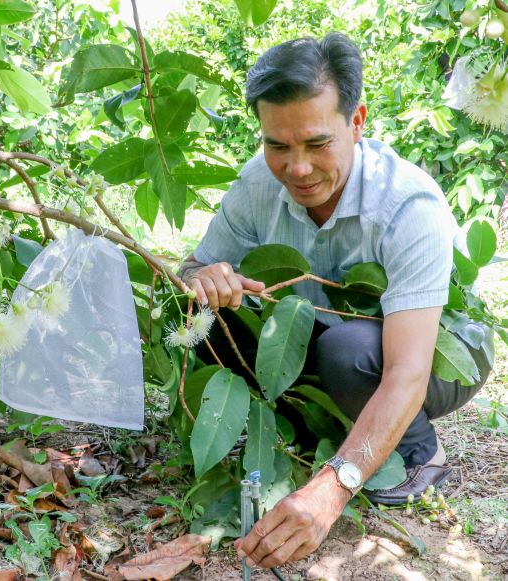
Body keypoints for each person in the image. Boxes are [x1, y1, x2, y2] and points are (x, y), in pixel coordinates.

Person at [177, 32, 493, 569]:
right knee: (208, 320)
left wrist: (332, 489)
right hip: (323, 332)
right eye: (278, 146)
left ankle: (420, 453)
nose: (297, 169)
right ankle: (320, 423)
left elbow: (408, 371)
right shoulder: (257, 185)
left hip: (442, 355)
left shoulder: (407, 206)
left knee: (348, 351)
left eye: (317, 143)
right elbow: (189, 271)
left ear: (357, 122)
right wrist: (205, 279)